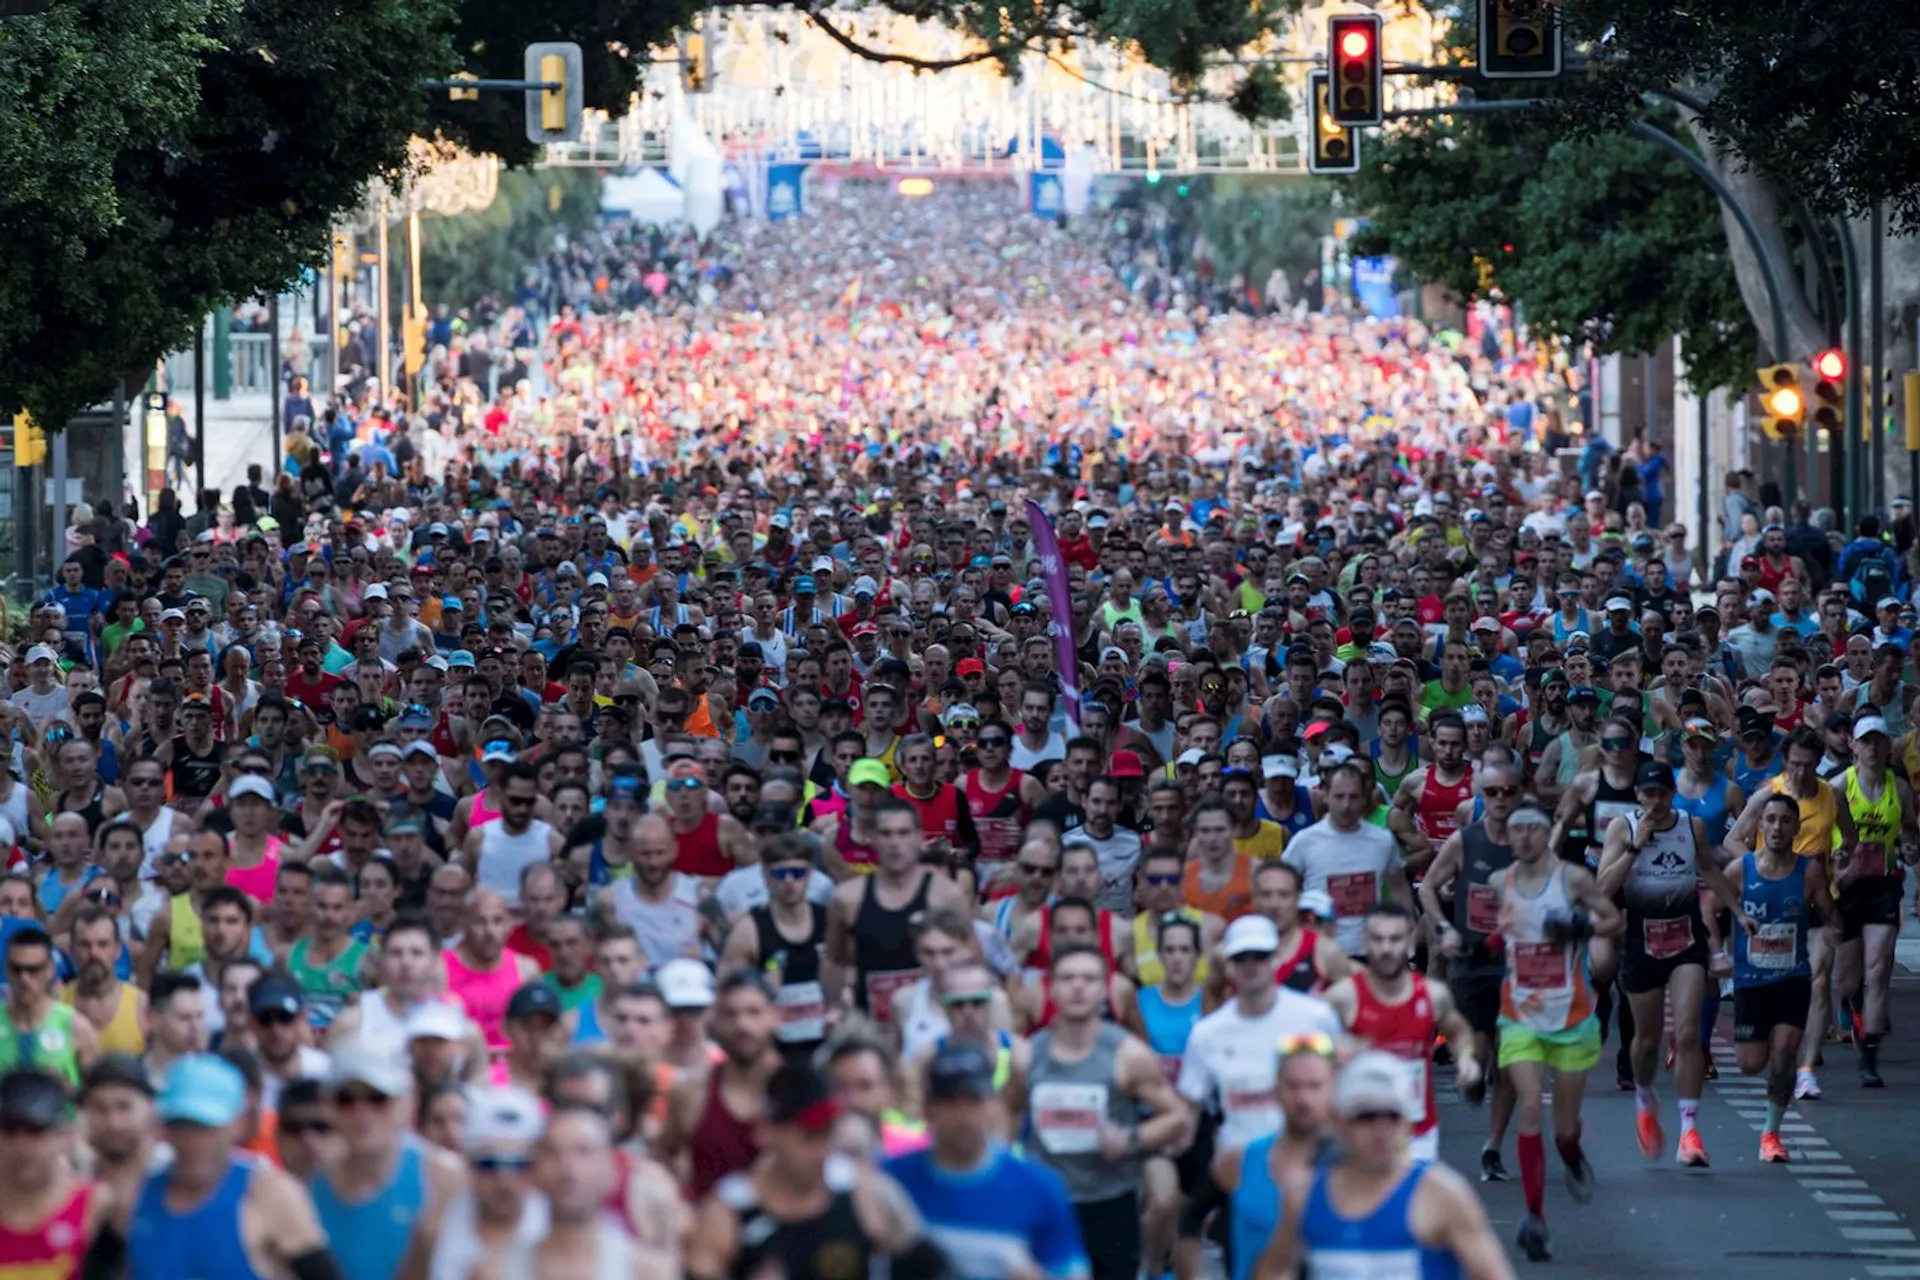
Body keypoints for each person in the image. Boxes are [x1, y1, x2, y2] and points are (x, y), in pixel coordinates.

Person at [1595, 760, 1752, 1169]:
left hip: (1685, 939)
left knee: (1686, 1035)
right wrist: (1635, 846)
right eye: (1649, 794)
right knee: (1645, 1043)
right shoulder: (1622, 828)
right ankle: (1645, 1095)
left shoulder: (1690, 826)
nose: (1656, 802)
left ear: (1672, 794)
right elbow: (1601, 889)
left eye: (1663, 793)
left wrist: (1737, 911)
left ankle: (1689, 1130)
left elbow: (1711, 872)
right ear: (1638, 796)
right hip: (1640, 942)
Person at [1174, 914, 1343, 1280]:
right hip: (1242, 1176)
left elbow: (1338, 1088)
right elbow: (1188, 1112)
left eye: (1259, 956)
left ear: (1276, 959)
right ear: (1229, 966)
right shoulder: (1208, 1033)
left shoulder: (1314, 1017)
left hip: (1310, 1169)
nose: (1251, 966)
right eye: (1242, 958)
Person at [1251, 1051, 1514, 1280]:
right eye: (1366, 1117)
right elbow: (1274, 1269)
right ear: (1339, 1122)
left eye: (1392, 1116)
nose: (1381, 1129)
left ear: (1407, 1124)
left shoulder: (1442, 1195)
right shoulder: (1303, 1194)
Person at [1493, 800, 1622, 1263]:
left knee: (1564, 1129)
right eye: (1517, 829)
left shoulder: (1573, 879)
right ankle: (1535, 1218)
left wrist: (1578, 924)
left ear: (1547, 832)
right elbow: (1498, 933)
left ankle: (1570, 1151)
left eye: (1534, 828)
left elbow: (1613, 919)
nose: (1525, 836)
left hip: (1571, 1018)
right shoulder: (1499, 883)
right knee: (1530, 1108)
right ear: (1508, 836)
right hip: (1520, 1017)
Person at [687, 1063, 955, 1280]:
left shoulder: (863, 1192)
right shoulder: (729, 1211)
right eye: (809, 1137)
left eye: (828, 1135)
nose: (822, 1151)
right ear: (767, 1132)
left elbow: (935, 1267)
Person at [84, 1053, 337, 1279]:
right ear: (164, 1128)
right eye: (180, 1125)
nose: (192, 1140)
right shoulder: (134, 1197)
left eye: (206, 1126)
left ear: (236, 1125)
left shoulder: (269, 1195)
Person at [1024, 943, 1186, 1280]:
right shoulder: (1028, 1056)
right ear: (1051, 987)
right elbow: (1004, 1118)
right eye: (1068, 978)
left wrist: (1130, 1138)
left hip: (1110, 1202)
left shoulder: (1128, 1055)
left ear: (1104, 989)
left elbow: (1176, 1116)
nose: (1078, 986)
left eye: (1088, 978)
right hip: (1048, 1201)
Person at [887, 1043, 1090, 1280]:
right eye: (950, 1102)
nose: (963, 1115)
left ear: (994, 1106)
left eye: (973, 1101)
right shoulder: (891, 1182)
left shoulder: (1039, 1189)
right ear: (928, 1109)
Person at [1418, 756, 1520, 1179]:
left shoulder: (1531, 841)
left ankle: (1493, 1146)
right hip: (1471, 962)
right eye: (1491, 792)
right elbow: (1426, 886)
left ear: (1519, 794)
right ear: (1481, 795)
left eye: (1507, 792)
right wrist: (1443, 927)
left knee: (1511, 1059)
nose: (1499, 800)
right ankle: (1474, 1078)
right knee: (1477, 1062)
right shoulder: (1465, 840)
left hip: (1517, 965)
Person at [1319, 902, 1480, 1164]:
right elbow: (1306, 1050)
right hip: (1359, 1132)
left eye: (1394, 939)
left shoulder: (1432, 995)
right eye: (1377, 939)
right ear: (1364, 942)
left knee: (1414, 1204)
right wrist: (1335, 1054)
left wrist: (1466, 1058)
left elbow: (1458, 1030)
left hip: (1418, 1133)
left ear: (1409, 941)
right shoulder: (1342, 998)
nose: (1386, 949)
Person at [1735, 792, 1838, 1162]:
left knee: (1784, 1053)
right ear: (1761, 825)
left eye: (1785, 820)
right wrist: (1716, 950)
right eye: (1771, 819)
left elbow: (1828, 911)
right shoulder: (1742, 868)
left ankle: (1770, 1134)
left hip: (1792, 977)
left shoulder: (1808, 870)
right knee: (1750, 1063)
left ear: (1796, 828)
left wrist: (1830, 933)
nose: (1777, 827)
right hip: (1750, 980)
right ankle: (1771, 1103)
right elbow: (1710, 906)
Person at [0, 1067, 104, 1275]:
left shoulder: (96, 1208)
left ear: (65, 1136)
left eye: (36, 1130)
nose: (22, 1145)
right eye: (10, 1130)